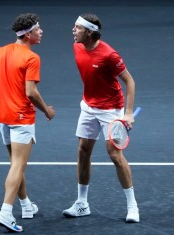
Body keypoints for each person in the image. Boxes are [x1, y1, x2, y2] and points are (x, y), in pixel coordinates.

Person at [0, 13, 55, 232]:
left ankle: (26, 206)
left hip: (2, 117)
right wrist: (47, 110)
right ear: (28, 35)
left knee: (15, 166)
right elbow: (31, 92)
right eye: (38, 29)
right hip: (21, 118)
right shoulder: (32, 58)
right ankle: (5, 213)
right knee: (18, 166)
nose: (41, 32)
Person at [62, 13, 140, 223]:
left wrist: (128, 113)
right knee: (83, 151)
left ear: (89, 32)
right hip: (88, 107)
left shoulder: (109, 55)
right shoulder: (77, 46)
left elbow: (130, 82)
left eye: (77, 28)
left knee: (115, 155)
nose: (73, 30)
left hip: (111, 109)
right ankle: (82, 204)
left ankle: (132, 206)